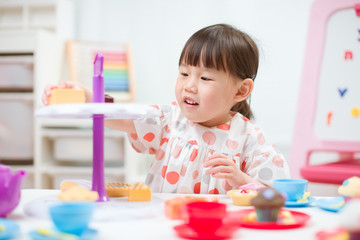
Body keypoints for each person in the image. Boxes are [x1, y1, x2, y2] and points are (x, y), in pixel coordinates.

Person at [43, 24, 290, 194]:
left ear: (241, 91)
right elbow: (121, 115)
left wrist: (242, 179)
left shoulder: (250, 140)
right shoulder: (168, 120)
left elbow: (278, 197)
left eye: (205, 79)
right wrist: (85, 96)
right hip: (162, 224)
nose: (189, 86)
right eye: (184, 73)